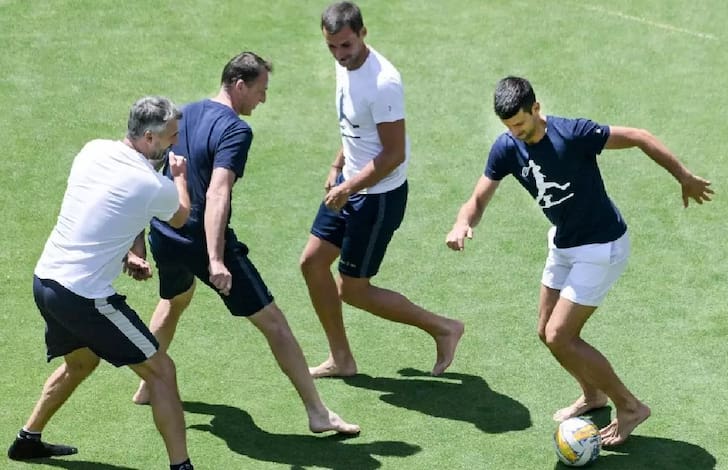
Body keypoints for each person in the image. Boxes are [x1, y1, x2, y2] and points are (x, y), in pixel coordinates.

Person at [446, 76, 714, 446]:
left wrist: (683, 175)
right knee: (546, 332)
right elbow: (478, 198)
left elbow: (639, 136)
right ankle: (593, 395)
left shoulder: (573, 134)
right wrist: (463, 222)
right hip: (564, 243)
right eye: (509, 127)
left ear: (536, 109)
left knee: (560, 335)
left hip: (602, 246)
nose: (516, 133)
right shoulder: (507, 147)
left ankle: (631, 407)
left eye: (520, 124)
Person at [129, 52, 360, 435]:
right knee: (274, 323)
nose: (263, 100)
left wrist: (139, 241)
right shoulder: (236, 130)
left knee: (175, 299)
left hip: (165, 232)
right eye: (260, 90)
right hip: (201, 239)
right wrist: (217, 258)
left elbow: (149, 173)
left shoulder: (183, 114)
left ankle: (146, 384)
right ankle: (318, 413)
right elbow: (218, 193)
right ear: (239, 85)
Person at [8, 97, 195, 469]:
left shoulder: (93, 150)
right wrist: (179, 178)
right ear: (148, 138)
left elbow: (106, 209)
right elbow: (179, 217)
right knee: (161, 370)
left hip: (46, 280)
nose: (175, 143)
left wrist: (129, 253)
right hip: (83, 297)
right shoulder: (153, 183)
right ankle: (182, 466)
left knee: (80, 363)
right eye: (171, 137)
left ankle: (27, 441)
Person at [299, 1, 464, 379]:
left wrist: (348, 187)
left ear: (363, 34)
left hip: (378, 198)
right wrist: (337, 165)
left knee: (353, 290)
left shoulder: (383, 83)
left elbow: (392, 154)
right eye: (332, 47)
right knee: (311, 263)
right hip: (351, 184)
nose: (339, 55)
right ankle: (341, 359)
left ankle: (444, 328)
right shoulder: (344, 66)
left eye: (346, 46)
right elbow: (354, 127)